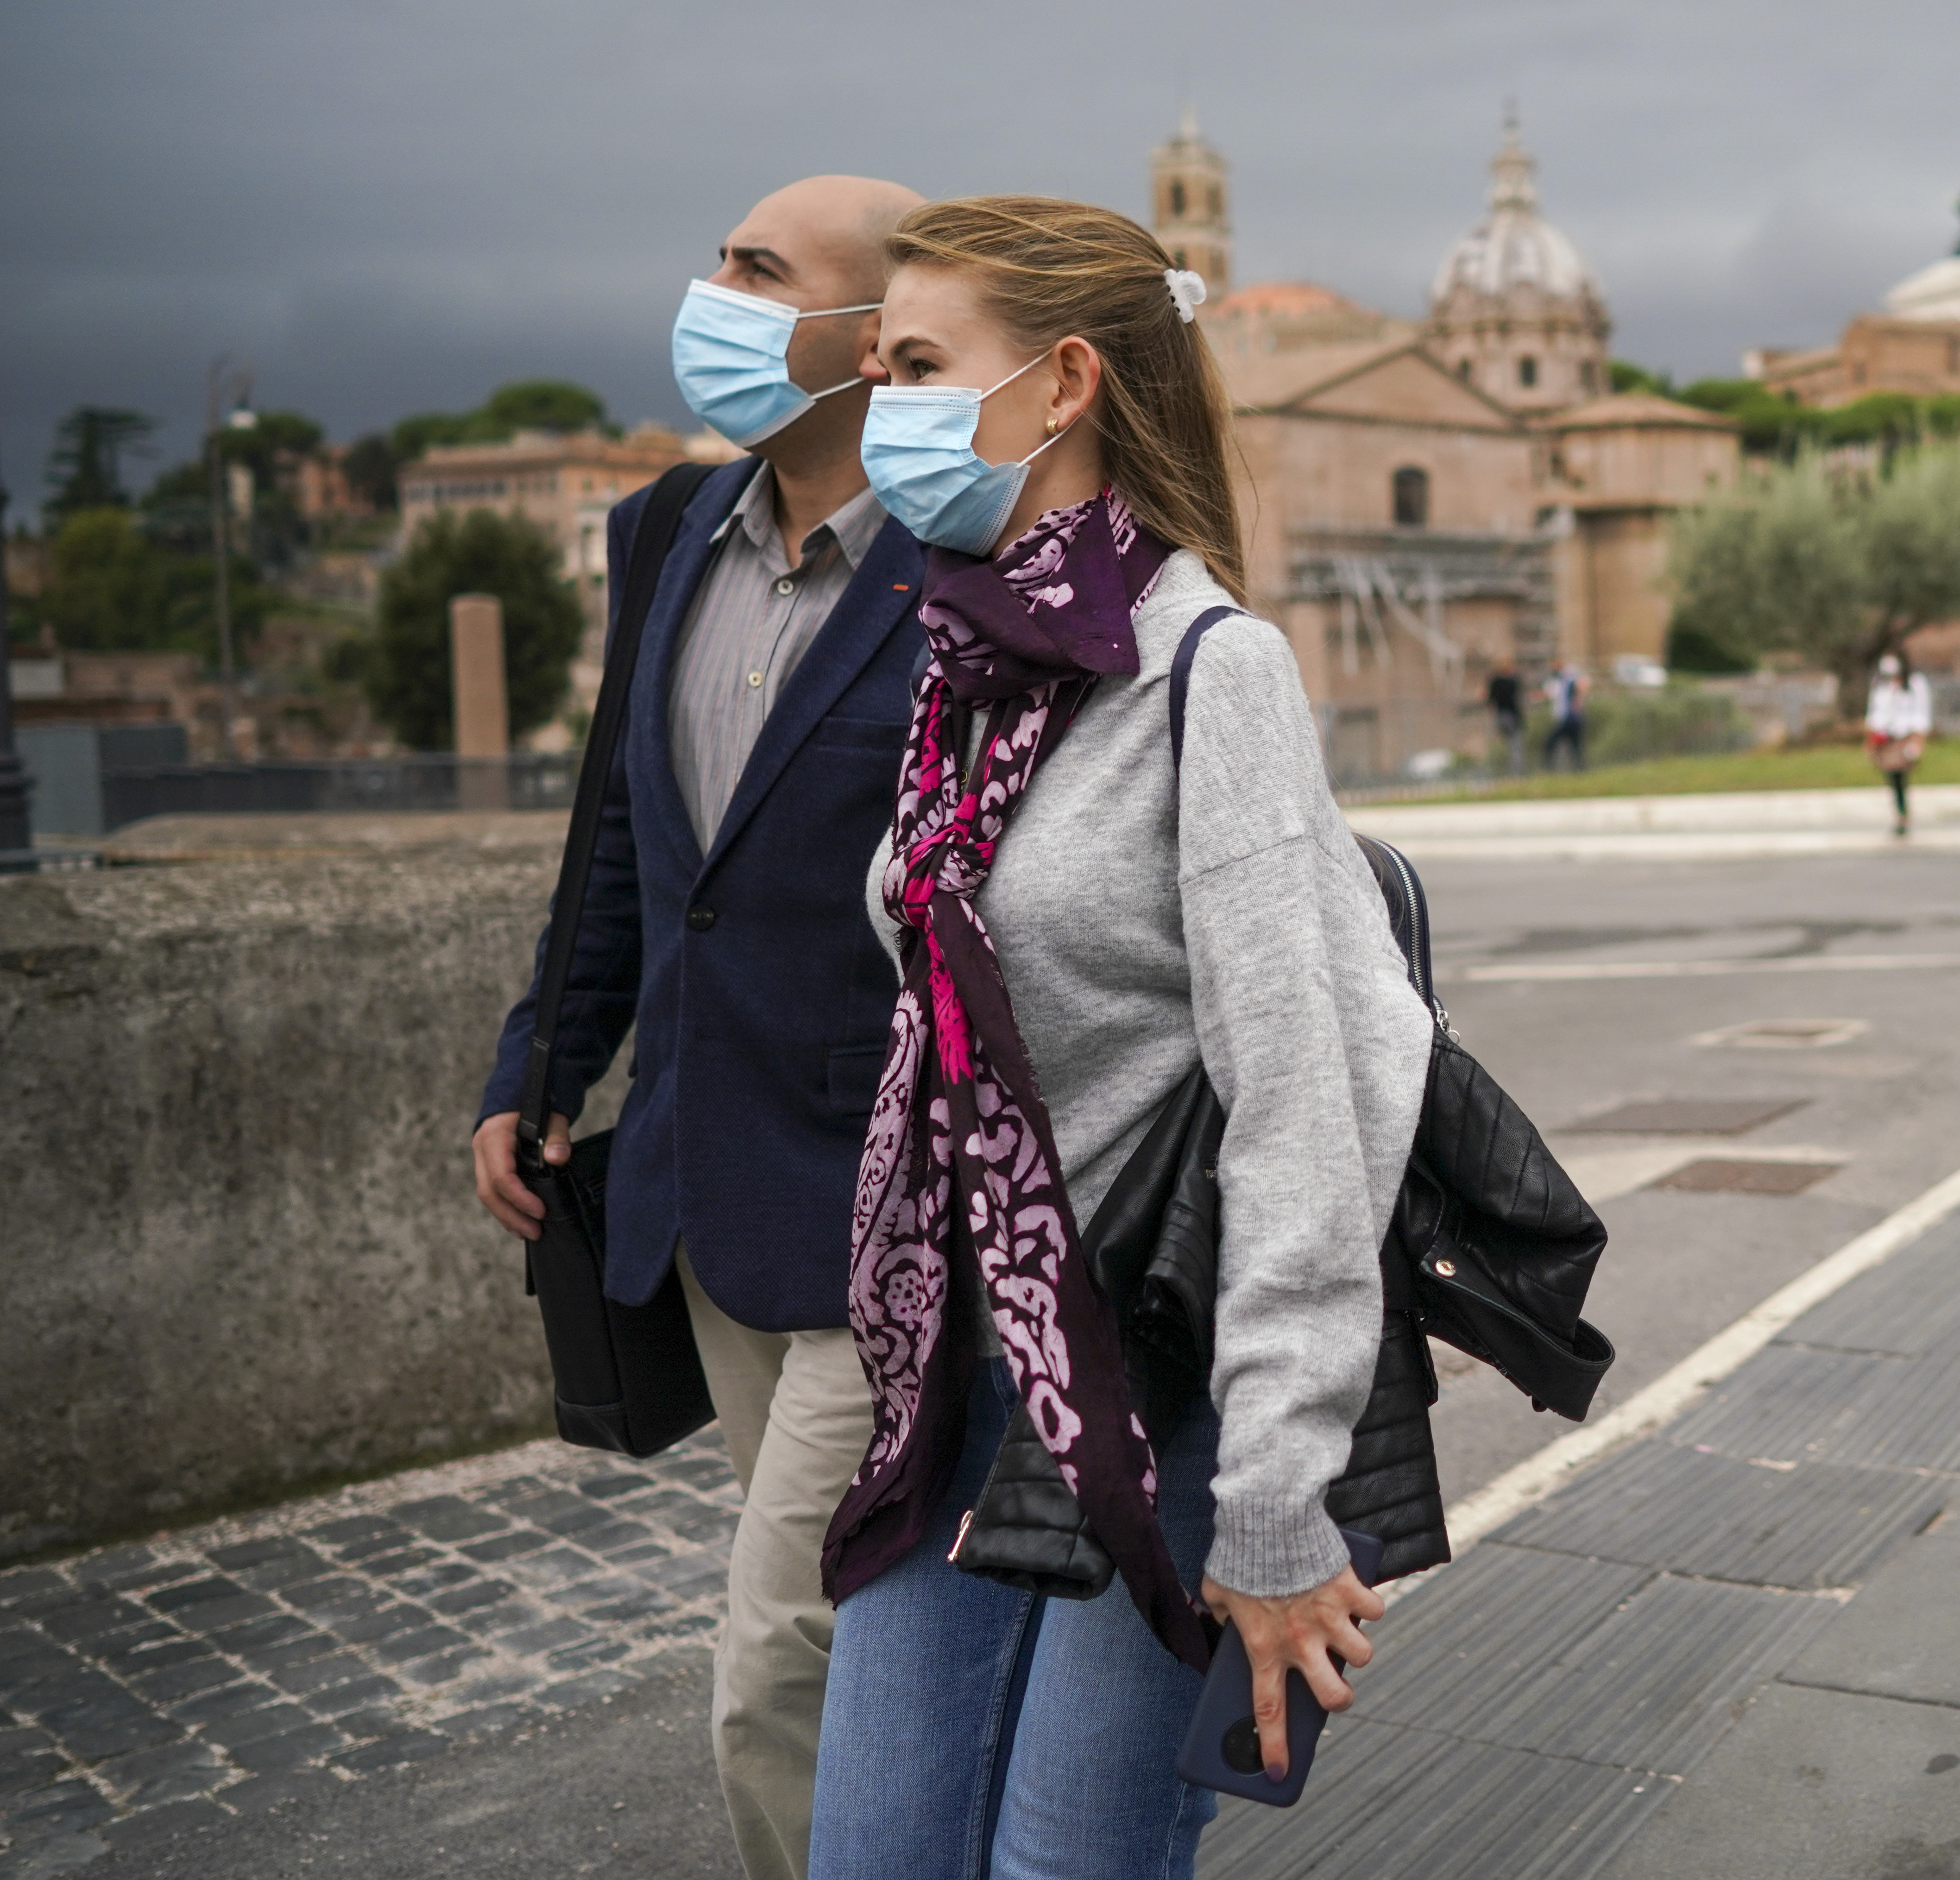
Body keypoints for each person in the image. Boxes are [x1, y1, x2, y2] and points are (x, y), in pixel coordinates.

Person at [806, 196, 1434, 1880]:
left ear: (1066, 380)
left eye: (923, 368)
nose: (887, 413)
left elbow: (1306, 1102)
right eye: (878, 372)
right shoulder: (971, 670)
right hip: (959, 1372)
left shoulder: (1207, 673)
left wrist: (1283, 1508)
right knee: (875, 1850)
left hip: (1159, 1394)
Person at [469, 174, 926, 1880]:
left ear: (877, 338)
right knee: (858, 1634)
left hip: (899, 1207)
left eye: (755, 268)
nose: (710, 291)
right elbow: (624, 835)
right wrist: (542, 1064)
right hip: (702, 1194)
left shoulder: (975, 557)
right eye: (716, 258)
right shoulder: (662, 530)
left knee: (775, 1670)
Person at [1865, 652, 1930, 836]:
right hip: (1885, 738)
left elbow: (1921, 714)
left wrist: (1918, 741)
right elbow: (1874, 713)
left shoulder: (1915, 684)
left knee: (1901, 775)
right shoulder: (1879, 685)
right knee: (1892, 778)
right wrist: (1872, 741)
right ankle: (1900, 814)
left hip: (1905, 737)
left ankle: (1903, 817)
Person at [1542, 660, 1587, 770]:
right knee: (1575, 746)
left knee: (1551, 743)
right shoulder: (1561, 681)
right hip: (1570, 718)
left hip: (1568, 718)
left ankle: (1549, 768)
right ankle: (1580, 769)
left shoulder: (1569, 678)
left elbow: (1582, 685)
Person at [1486, 659, 1525, 774]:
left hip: (1500, 716)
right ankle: (1516, 774)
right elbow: (1520, 700)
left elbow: (1490, 701)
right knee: (1516, 747)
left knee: (1497, 745)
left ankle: (1495, 771)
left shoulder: (1494, 682)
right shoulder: (1514, 681)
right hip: (1513, 716)